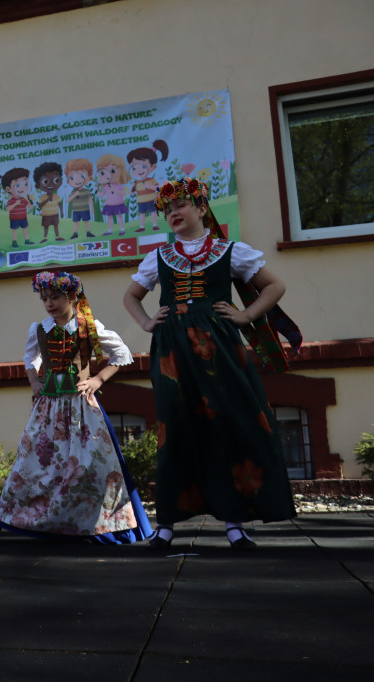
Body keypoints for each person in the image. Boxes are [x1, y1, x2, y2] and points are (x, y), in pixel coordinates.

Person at [123, 177, 298, 551]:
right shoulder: (158, 257)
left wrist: (246, 315)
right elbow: (131, 296)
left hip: (218, 347)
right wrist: (147, 323)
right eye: (167, 210)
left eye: (180, 206)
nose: (173, 213)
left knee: (227, 423)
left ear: (202, 208)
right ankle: (167, 525)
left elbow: (274, 286)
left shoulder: (229, 251)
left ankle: (234, 524)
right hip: (172, 350)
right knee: (175, 427)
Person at [0, 271, 151, 543]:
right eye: (44, 298)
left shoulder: (88, 326)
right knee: (31, 462)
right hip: (48, 408)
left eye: (55, 297)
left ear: (72, 297)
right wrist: (34, 382)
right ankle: (4, 518)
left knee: (90, 464)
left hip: (81, 407)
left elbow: (121, 353)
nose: (49, 303)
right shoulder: (39, 328)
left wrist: (97, 379)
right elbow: (30, 358)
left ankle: (93, 523)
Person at [0, 167, 33, 249]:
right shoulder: (11, 201)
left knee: (25, 229)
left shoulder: (24, 199)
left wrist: (31, 201)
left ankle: (27, 240)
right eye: (18, 185)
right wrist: (15, 204)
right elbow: (7, 209)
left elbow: (30, 207)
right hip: (14, 219)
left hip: (23, 218)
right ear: (8, 189)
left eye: (25, 184)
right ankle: (14, 242)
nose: (22, 188)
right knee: (15, 230)